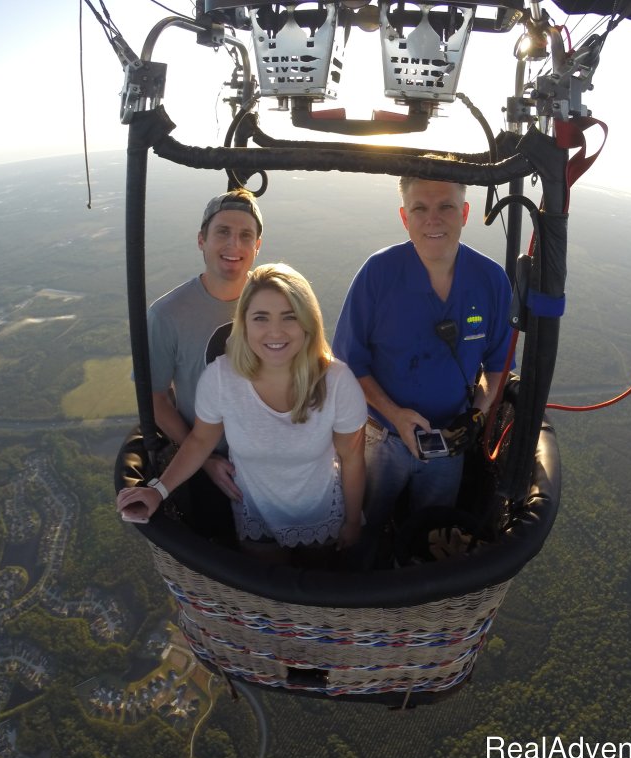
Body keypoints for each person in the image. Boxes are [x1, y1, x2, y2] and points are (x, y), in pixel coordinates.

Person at [119, 263, 367, 560]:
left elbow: (352, 458)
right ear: (244, 323)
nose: (275, 331)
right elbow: (200, 442)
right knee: (267, 599)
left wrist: (353, 522)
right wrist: (158, 491)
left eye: (289, 317)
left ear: (307, 323)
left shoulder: (337, 383)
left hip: (321, 515)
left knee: (318, 592)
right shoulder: (222, 379)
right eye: (260, 318)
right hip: (255, 515)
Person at [332, 172, 513, 566]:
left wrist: (475, 415)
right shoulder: (378, 274)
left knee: (430, 537)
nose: (434, 219)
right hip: (379, 438)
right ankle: (357, 599)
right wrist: (395, 415)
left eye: (446, 206)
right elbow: (348, 362)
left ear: (464, 212)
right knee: (362, 526)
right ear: (404, 217)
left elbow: (498, 369)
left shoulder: (491, 281)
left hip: (449, 443)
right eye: (420, 208)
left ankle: (409, 613)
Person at [146, 189, 262, 519]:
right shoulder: (168, 314)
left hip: (271, 451)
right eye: (222, 232)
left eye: (245, 236)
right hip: (208, 457)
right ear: (201, 240)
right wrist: (205, 458)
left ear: (257, 247)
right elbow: (154, 396)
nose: (234, 246)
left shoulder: (274, 300)